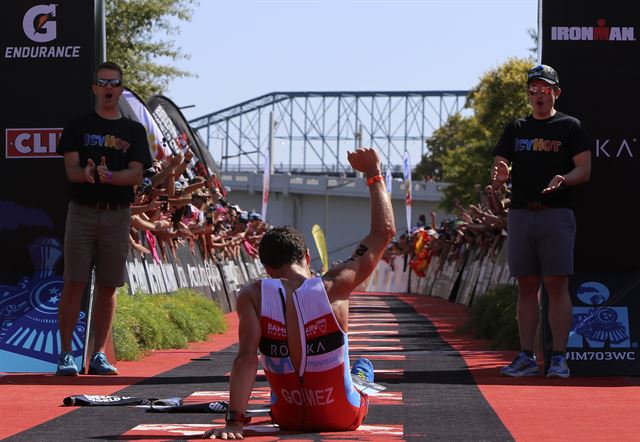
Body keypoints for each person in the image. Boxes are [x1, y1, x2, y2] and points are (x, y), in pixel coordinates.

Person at [206, 147, 395, 439]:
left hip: (287, 417)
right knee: (359, 371)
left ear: (267, 268)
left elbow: (245, 360)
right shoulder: (335, 285)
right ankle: (361, 373)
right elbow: (384, 231)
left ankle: (359, 373)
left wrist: (234, 422)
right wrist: (373, 173)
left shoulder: (253, 296)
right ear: (307, 257)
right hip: (343, 416)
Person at [491, 64, 591, 379]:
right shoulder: (516, 128)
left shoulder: (571, 127)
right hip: (521, 213)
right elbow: (500, 165)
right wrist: (500, 174)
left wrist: (564, 177)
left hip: (557, 214)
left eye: (544, 89)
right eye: (533, 89)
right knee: (526, 285)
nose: (538, 94)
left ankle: (559, 356)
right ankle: (526, 356)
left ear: (556, 93)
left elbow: (584, 170)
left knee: (556, 284)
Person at [56, 61, 152, 376]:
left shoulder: (133, 131)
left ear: (121, 89)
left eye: (114, 83)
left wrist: (109, 176)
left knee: (109, 286)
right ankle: (66, 354)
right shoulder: (77, 126)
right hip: (81, 212)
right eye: (103, 82)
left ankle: (97, 354)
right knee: (75, 283)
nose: (109, 88)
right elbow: (70, 170)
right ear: (95, 88)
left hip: (117, 215)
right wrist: (85, 174)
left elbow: (136, 174)